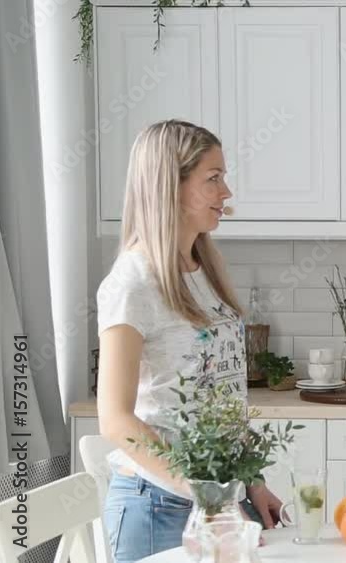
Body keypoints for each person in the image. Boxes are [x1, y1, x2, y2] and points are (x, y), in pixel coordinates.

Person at [96, 120, 283, 563]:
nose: (226, 192)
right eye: (213, 178)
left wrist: (251, 482)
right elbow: (115, 419)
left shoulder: (204, 269)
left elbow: (219, 399)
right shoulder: (133, 282)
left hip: (217, 502)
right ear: (170, 187)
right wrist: (201, 491)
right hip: (159, 507)